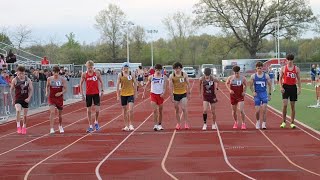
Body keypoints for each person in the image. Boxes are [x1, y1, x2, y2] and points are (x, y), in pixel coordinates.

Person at [80, 60, 104, 133]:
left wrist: (102, 90)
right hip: (88, 94)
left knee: (97, 110)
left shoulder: (97, 73)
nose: (90, 69)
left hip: (96, 93)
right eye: (88, 68)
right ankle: (90, 125)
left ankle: (96, 122)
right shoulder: (84, 74)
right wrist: (82, 94)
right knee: (89, 110)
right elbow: (80, 84)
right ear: (86, 67)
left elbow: (101, 82)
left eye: (91, 67)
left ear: (93, 67)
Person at [279, 54, 301, 129]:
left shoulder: (297, 69)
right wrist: (281, 87)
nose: (290, 61)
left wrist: (299, 88)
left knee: (292, 106)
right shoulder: (283, 68)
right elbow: (280, 79)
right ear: (286, 60)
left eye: (291, 60)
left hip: (293, 87)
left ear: (293, 60)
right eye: (288, 60)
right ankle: (284, 121)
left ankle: (292, 122)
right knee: (285, 104)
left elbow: (299, 79)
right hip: (285, 87)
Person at [142, 64, 167, 131]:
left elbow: (165, 87)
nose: (158, 71)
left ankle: (159, 124)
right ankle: (155, 125)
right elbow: (147, 85)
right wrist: (143, 93)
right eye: (157, 70)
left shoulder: (164, 77)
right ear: (155, 70)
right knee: (155, 110)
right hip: (153, 94)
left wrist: (163, 93)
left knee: (160, 111)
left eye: (159, 70)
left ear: (161, 70)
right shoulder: (151, 77)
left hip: (160, 95)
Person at [10, 66, 33, 134]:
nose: (21, 75)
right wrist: (13, 99)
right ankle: (18, 126)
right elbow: (11, 90)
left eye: (22, 73)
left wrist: (29, 98)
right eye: (19, 74)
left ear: (24, 73)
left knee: (25, 115)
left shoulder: (28, 80)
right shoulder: (15, 80)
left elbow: (31, 89)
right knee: (18, 111)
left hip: (25, 99)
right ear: (17, 73)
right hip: (18, 98)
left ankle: (24, 126)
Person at [168, 62, 191, 130]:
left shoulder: (184, 74)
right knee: (177, 109)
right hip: (176, 94)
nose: (177, 70)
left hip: (183, 93)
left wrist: (188, 93)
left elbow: (188, 84)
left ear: (181, 68)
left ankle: (186, 123)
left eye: (178, 68)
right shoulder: (172, 76)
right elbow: (170, 86)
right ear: (174, 69)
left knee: (184, 108)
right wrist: (171, 95)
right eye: (176, 68)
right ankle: (178, 123)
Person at [250, 62, 272, 129]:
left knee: (264, 110)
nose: (259, 69)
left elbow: (270, 85)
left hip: (264, 94)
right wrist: (253, 92)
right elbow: (250, 86)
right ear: (256, 68)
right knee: (257, 111)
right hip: (257, 95)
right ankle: (257, 121)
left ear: (262, 68)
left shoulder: (266, 76)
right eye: (258, 68)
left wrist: (269, 94)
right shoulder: (253, 76)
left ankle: (264, 124)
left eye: (260, 68)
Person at [46, 66, 67, 134]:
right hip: (51, 97)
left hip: (59, 98)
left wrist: (60, 93)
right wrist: (47, 92)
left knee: (59, 114)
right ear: (52, 72)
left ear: (59, 72)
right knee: (52, 112)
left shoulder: (62, 79)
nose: (56, 74)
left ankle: (60, 126)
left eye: (57, 72)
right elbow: (47, 86)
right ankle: (51, 128)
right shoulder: (49, 79)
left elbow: (66, 89)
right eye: (54, 72)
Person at [116, 62, 137, 131]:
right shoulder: (120, 75)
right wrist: (117, 95)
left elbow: (135, 83)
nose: (126, 69)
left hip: (130, 94)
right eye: (124, 68)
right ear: (122, 68)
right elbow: (117, 85)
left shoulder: (132, 74)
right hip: (123, 94)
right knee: (124, 110)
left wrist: (135, 93)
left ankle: (131, 124)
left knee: (130, 110)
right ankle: (126, 125)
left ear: (128, 68)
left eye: (127, 67)